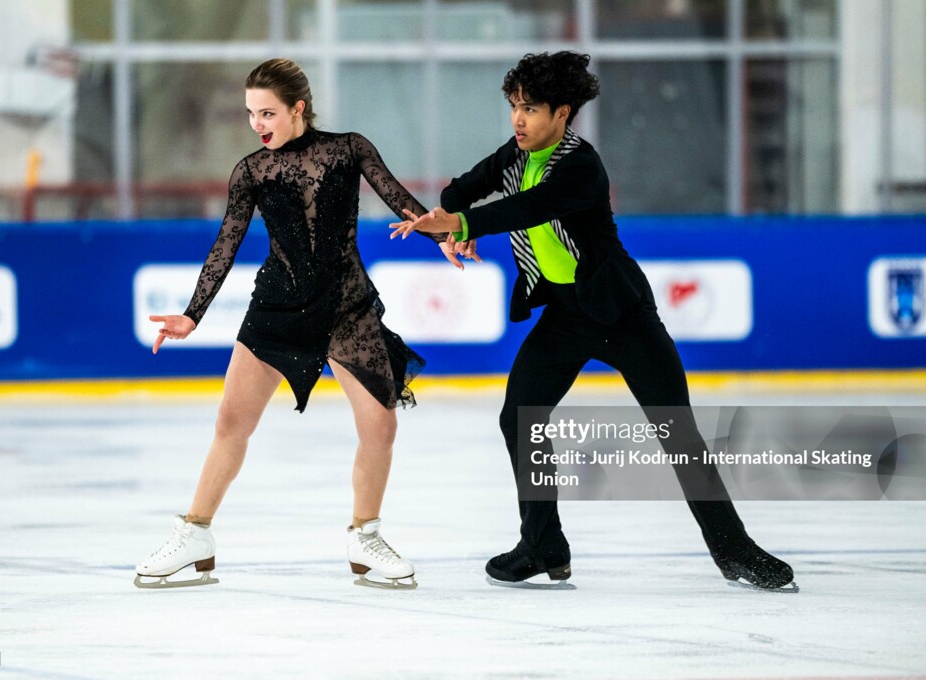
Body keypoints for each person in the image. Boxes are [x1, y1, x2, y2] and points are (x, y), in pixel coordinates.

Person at [391, 51, 795, 591]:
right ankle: (542, 543)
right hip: (565, 314)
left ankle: (734, 550)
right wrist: (450, 225)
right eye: (513, 106)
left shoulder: (581, 165)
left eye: (530, 109)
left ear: (562, 113)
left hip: (621, 313)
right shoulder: (515, 154)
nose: (518, 119)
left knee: (676, 431)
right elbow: (459, 190)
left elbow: (527, 209)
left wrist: (463, 221)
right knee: (520, 416)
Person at [135, 58, 464, 590]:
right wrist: (192, 314)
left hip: (346, 307)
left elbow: (402, 201)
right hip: (279, 308)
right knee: (231, 425)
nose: (257, 123)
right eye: (250, 114)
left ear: (298, 108)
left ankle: (365, 536)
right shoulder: (250, 171)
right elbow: (227, 242)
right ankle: (195, 534)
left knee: (381, 425)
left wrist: (442, 235)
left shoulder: (350, 148)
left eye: (267, 112)